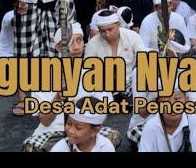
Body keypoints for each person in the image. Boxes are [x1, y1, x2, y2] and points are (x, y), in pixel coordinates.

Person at [22, 23, 120, 152]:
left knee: (113, 136)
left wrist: (84, 122)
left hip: (85, 131)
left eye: (80, 40)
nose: (77, 47)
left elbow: (105, 112)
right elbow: (45, 121)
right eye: (71, 42)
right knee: (30, 147)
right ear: (58, 47)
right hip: (54, 133)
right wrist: (58, 98)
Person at [84, 9, 146, 96]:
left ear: (119, 25)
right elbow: (87, 73)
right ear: (98, 29)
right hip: (103, 88)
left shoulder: (133, 37)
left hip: (131, 85)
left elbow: (146, 60)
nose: (107, 34)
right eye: (103, 31)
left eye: (110, 29)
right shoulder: (92, 44)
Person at [138, 86, 196, 153]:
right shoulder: (150, 127)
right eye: (165, 101)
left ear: (187, 100)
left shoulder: (194, 121)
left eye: (177, 99)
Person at [50, 96, 115, 152]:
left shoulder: (105, 147)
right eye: (69, 124)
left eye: (78, 128)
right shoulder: (60, 149)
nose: (70, 130)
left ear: (95, 130)